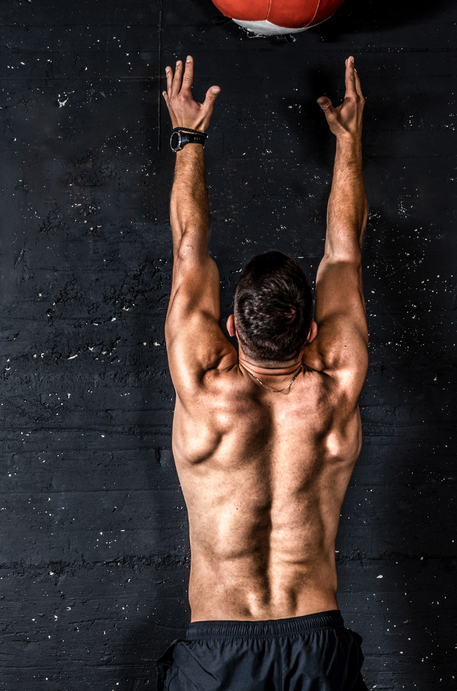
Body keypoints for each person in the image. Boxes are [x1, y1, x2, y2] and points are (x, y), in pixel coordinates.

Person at [156, 54, 370, 691]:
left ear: (230, 328)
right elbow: (344, 251)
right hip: (318, 646)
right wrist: (349, 141)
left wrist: (189, 136)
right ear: (311, 333)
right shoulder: (337, 383)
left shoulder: (202, 384)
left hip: (220, 647)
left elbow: (189, 245)